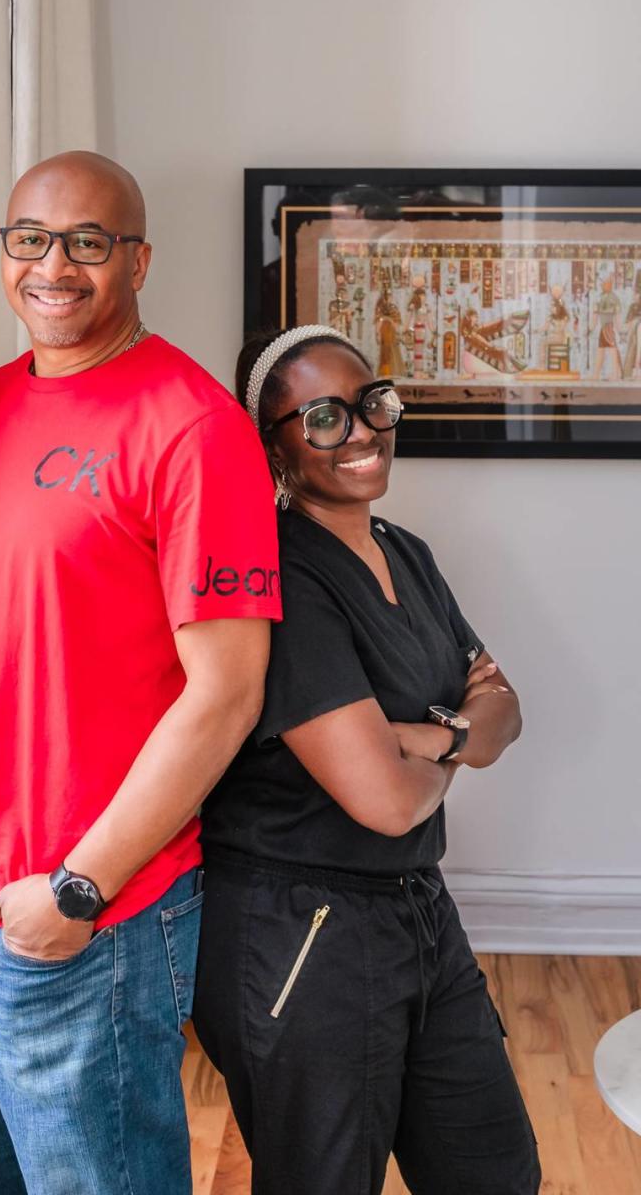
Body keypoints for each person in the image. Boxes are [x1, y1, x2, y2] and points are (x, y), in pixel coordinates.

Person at [0, 151, 281, 1195]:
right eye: (31, 238)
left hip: (82, 919)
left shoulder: (195, 428)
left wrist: (77, 887)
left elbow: (228, 692)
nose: (53, 266)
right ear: (3, 252)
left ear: (138, 260)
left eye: (88, 242)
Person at [193, 324, 541, 1195]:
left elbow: (506, 709)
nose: (358, 433)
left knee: (495, 1172)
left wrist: (438, 736)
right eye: (320, 418)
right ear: (271, 443)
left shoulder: (406, 552)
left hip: (420, 909)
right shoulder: (277, 576)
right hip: (302, 927)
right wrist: (458, 731)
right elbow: (383, 801)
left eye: (369, 404)